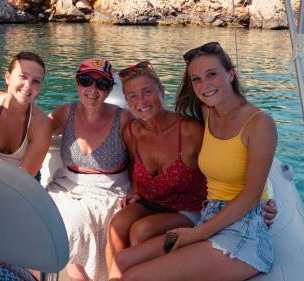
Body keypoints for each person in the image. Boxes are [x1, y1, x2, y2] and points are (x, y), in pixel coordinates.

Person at [109, 42, 277, 281]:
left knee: (134, 276)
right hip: (211, 216)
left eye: (212, 74)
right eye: (196, 79)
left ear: (230, 74)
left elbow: (251, 194)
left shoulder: (260, 123)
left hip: (244, 229)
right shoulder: (208, 112)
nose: (205, 85)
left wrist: (198, 233)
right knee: (121, 261)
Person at [105, 60, 207, 275]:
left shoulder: (190, 130)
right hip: (150, 202)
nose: (141, 101)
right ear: (126, 100)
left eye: (147, 92)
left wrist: (263, 199)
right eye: (132, 96)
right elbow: (133, 166)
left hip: (190, 208)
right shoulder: (131, 133)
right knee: (118, 224)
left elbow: (221, 169)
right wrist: (133, 193)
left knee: (142, 230)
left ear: (162, 91)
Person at [47, 57, 134, 281]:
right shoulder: (65, 113)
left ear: (108, 90)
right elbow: (37, 132)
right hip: (65, 186)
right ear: (78, 83)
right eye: (86, 81)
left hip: (108, 190)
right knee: (44, 216)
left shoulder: (123, 119)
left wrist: (137, 193)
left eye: (102, 84)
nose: (93, 89)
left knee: (72, 224)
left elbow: (141, 158)